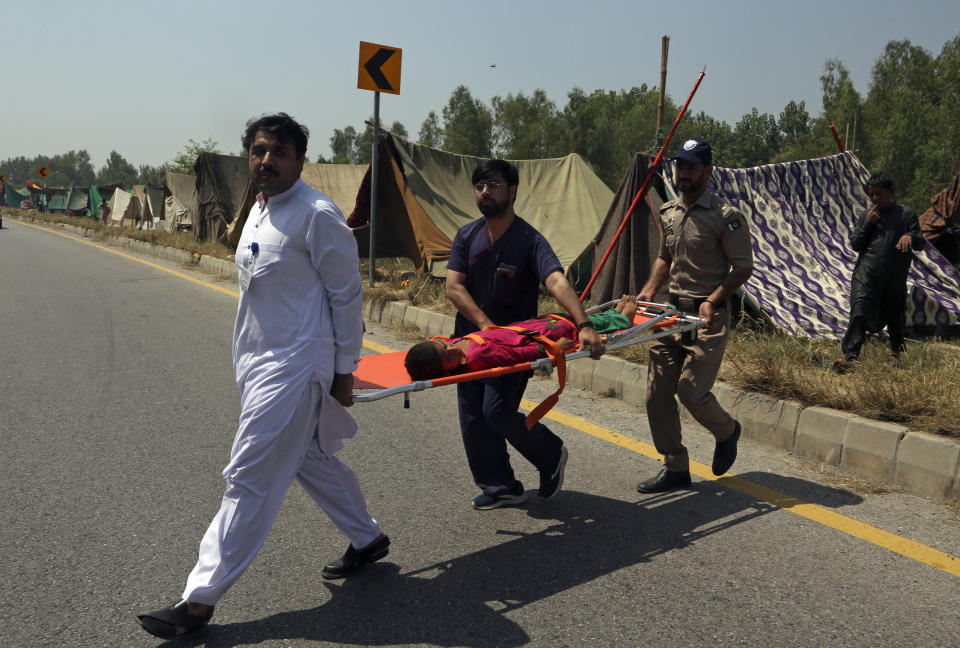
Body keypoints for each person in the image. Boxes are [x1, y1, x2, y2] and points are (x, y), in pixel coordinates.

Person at [137, 113, 388, 639]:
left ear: (299, 159)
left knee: (247, 476)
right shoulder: (258, 208)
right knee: (308, 460)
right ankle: (367, 538)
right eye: (258, 151)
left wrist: (345, 371)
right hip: (258, 366)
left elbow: (346, 297)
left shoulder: (318, 215)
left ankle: (198, 600)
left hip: (296, 369)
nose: (265, 161)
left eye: (277, 152)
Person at [445, 159, 605, 510]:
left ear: (512, 190)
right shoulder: (467, 235)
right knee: (473, 414)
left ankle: (550, 454)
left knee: (497, 412)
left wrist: (584, 324)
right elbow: (454, 286)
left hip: (514, 347)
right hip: (470, 343)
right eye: (480, 186)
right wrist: (485, 326)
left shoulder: (529, 240)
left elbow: (556, 280)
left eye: (494, 185)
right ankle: (501, 486)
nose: (485, 191)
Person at [636, 137, 754, 493]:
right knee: (657, 393)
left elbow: (742, 267)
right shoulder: (669, 212)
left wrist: (714, 298)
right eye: (680, 167)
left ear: (707, 170)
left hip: (708, 318)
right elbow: (664, 258)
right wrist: (647, 290)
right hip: (670, 314)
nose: (683, 174)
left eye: (690, 167)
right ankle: (675, 466)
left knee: (690, 391)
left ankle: (727, 431)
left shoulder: (726, 217)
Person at [405, 295, 638, 379]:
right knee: (579, 327)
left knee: (573, 318)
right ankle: (622, 319)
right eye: (448, 357)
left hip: (528, 327)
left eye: (443, 346)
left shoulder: (453, 346)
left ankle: (611, 314)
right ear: (447, 370)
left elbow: (441, 345)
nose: (451, 349)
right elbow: (516, 356)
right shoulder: (477, 356)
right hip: (542, 338)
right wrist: (551, 349)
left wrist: (439, 344)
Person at [835, 173, 924, 372]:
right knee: (859, 309)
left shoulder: (905, 215)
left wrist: (910, 236)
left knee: (895, 316)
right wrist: (868, 223)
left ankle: (897, 355)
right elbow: (856, 244)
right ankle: (851, 356)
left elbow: (921, 242)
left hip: (893, 278)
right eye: (871, 195)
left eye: (879, 194)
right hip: (866, 274)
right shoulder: (867, 216)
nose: (875, 199)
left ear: (891, 192)